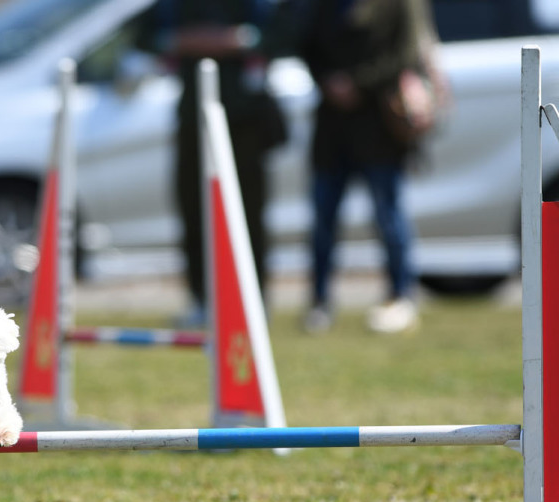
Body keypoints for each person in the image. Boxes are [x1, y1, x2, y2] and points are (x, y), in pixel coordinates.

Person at [144, 0, 296, 326]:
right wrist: (184, 41)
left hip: (246, 119)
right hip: (191, 117)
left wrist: (239, 40)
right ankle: (202, 300)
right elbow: (147, 36)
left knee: (248, 214)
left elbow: (282, 36)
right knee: (193, 209)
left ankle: (252, 301)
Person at [299, 0, 443, 334]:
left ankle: (400, 296)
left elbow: (407, 52)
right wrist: (328, 81)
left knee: (388, 215)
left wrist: (358, 84)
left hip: (379, 126)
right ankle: (320, 302)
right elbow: (306, 43)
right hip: (332, 129)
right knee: (323, 219)